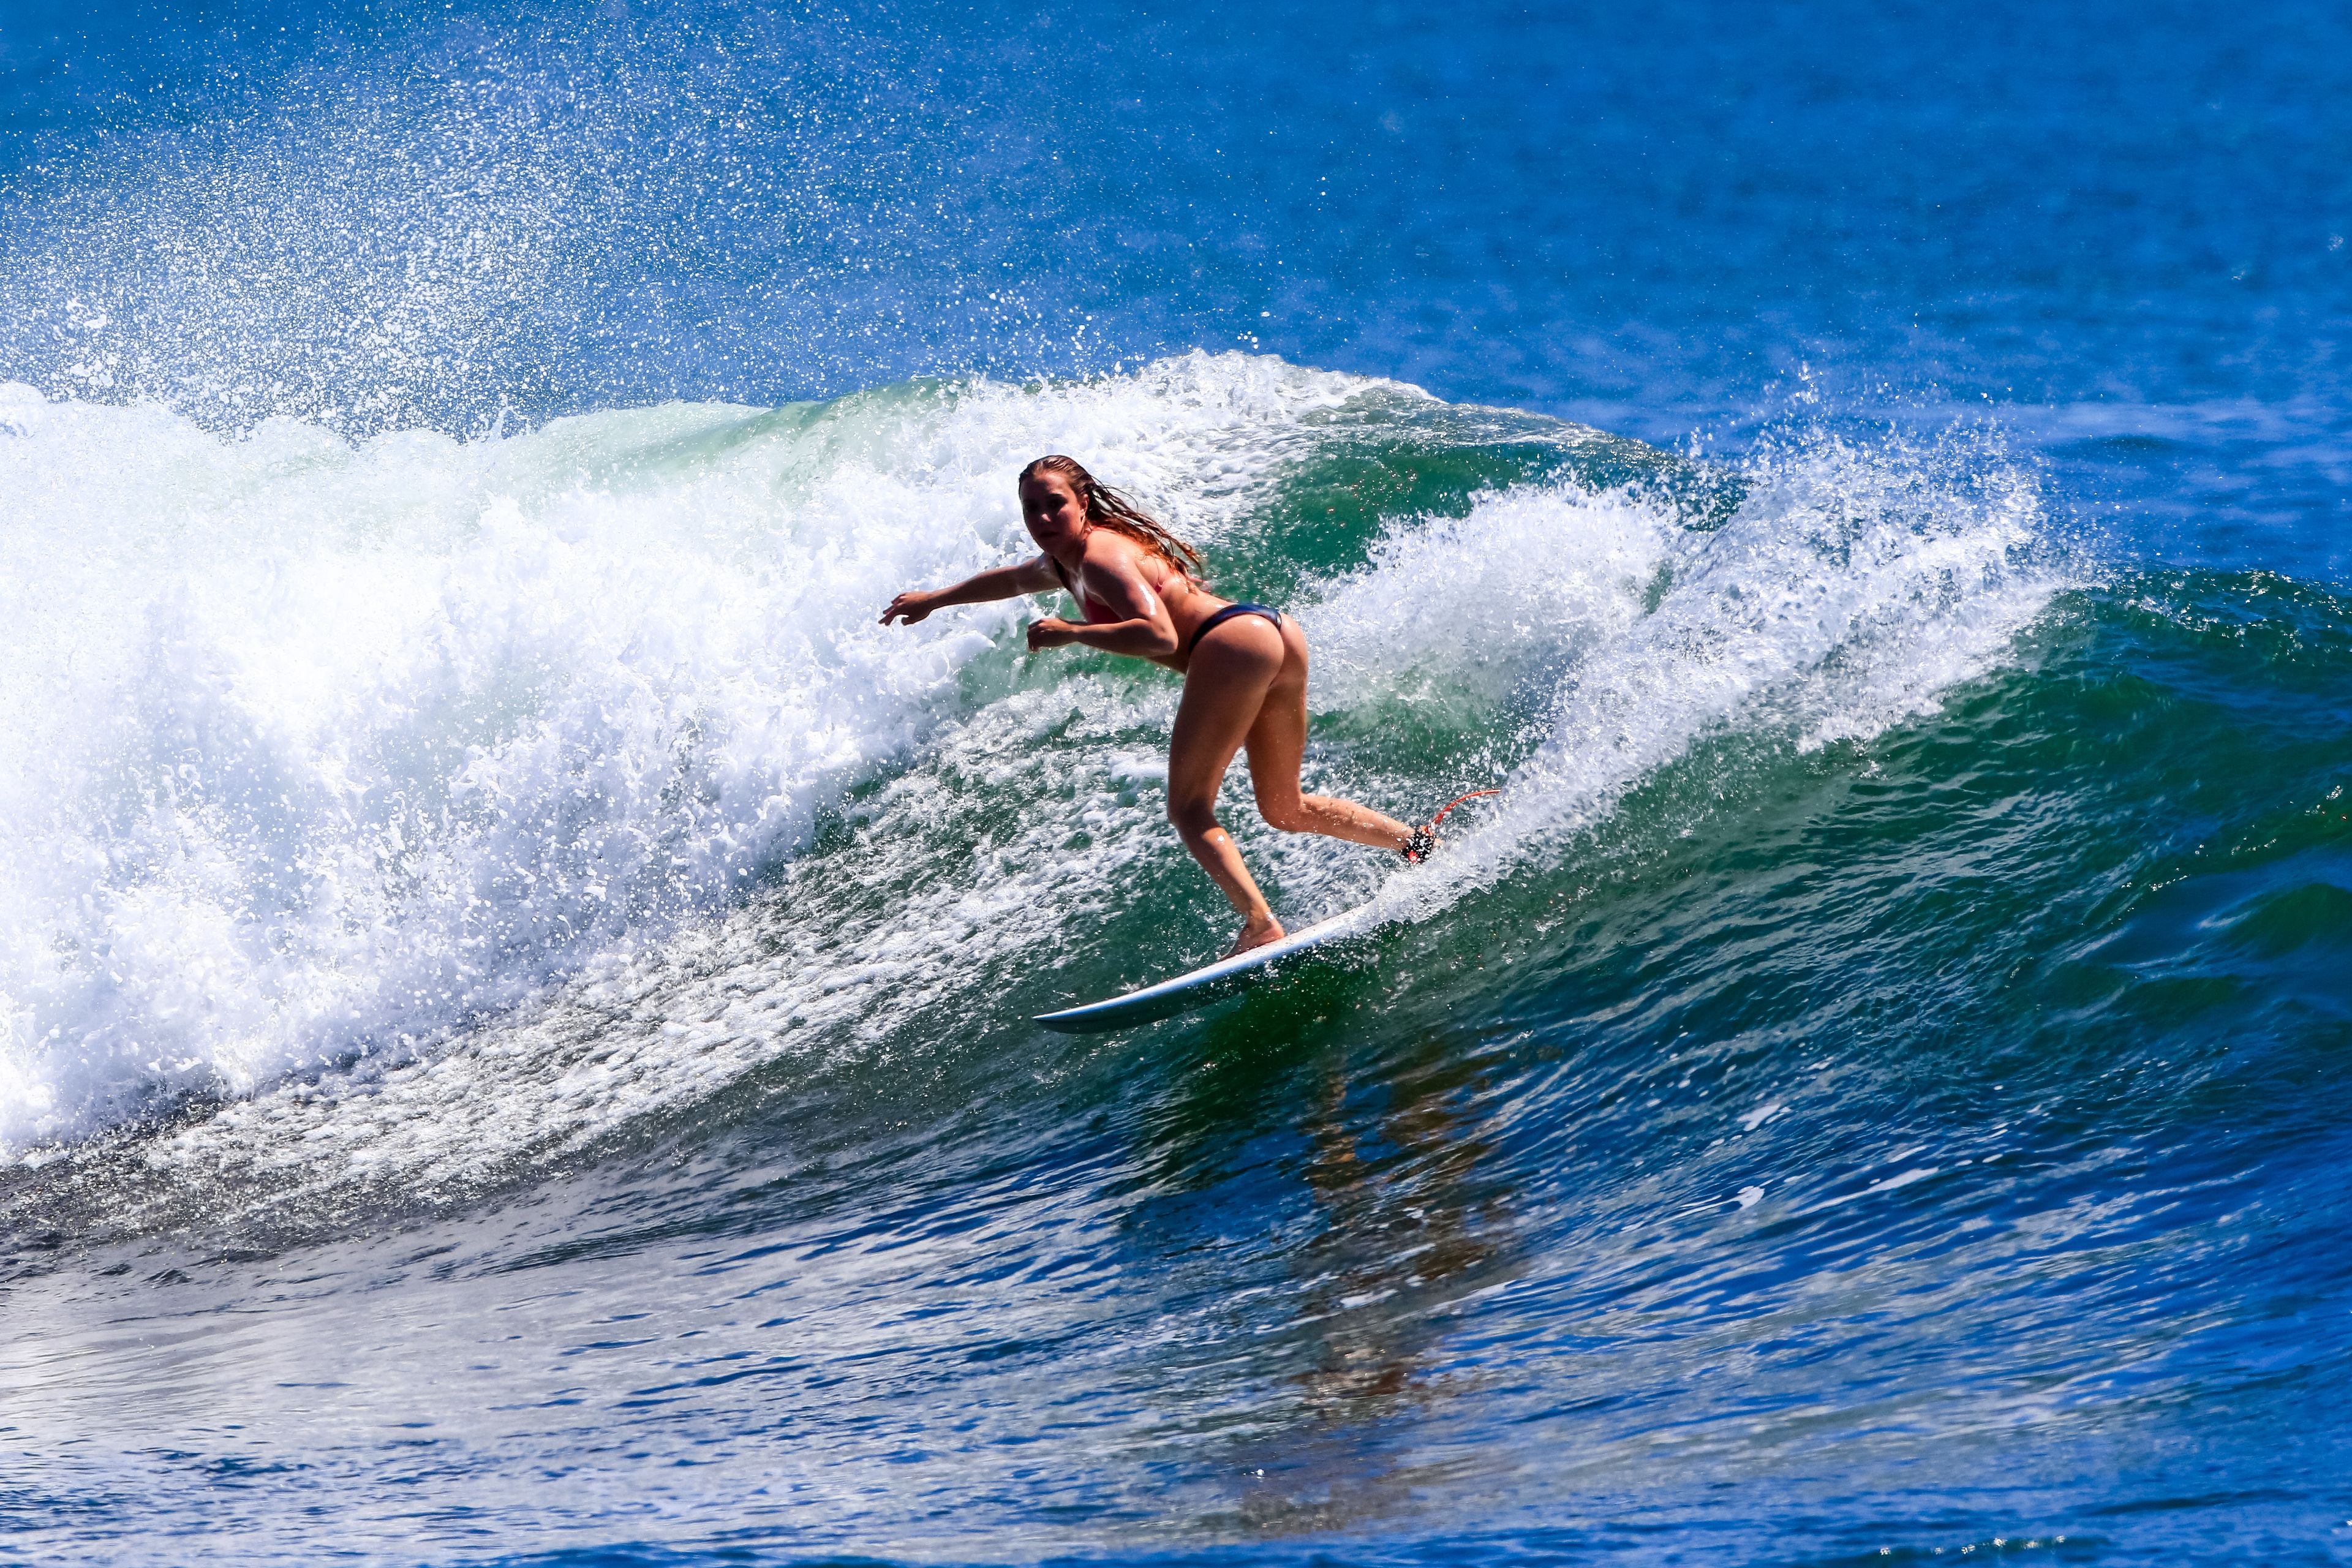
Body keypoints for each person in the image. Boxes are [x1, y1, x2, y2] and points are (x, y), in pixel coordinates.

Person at [881, 455, 1436, 957]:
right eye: (1032, 508)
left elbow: (1161, 636)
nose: (1044, 518)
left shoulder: (1100, 558)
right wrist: (937, 599)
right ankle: (1413, 843)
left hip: (1230, 644)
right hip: (1272, 633)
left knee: (1189, 810)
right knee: (1284, 808)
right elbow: (1011, 579)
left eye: (1056, 505)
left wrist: (1074, 633)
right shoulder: (1064, 563)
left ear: (1084, 505)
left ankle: (1261, 924)